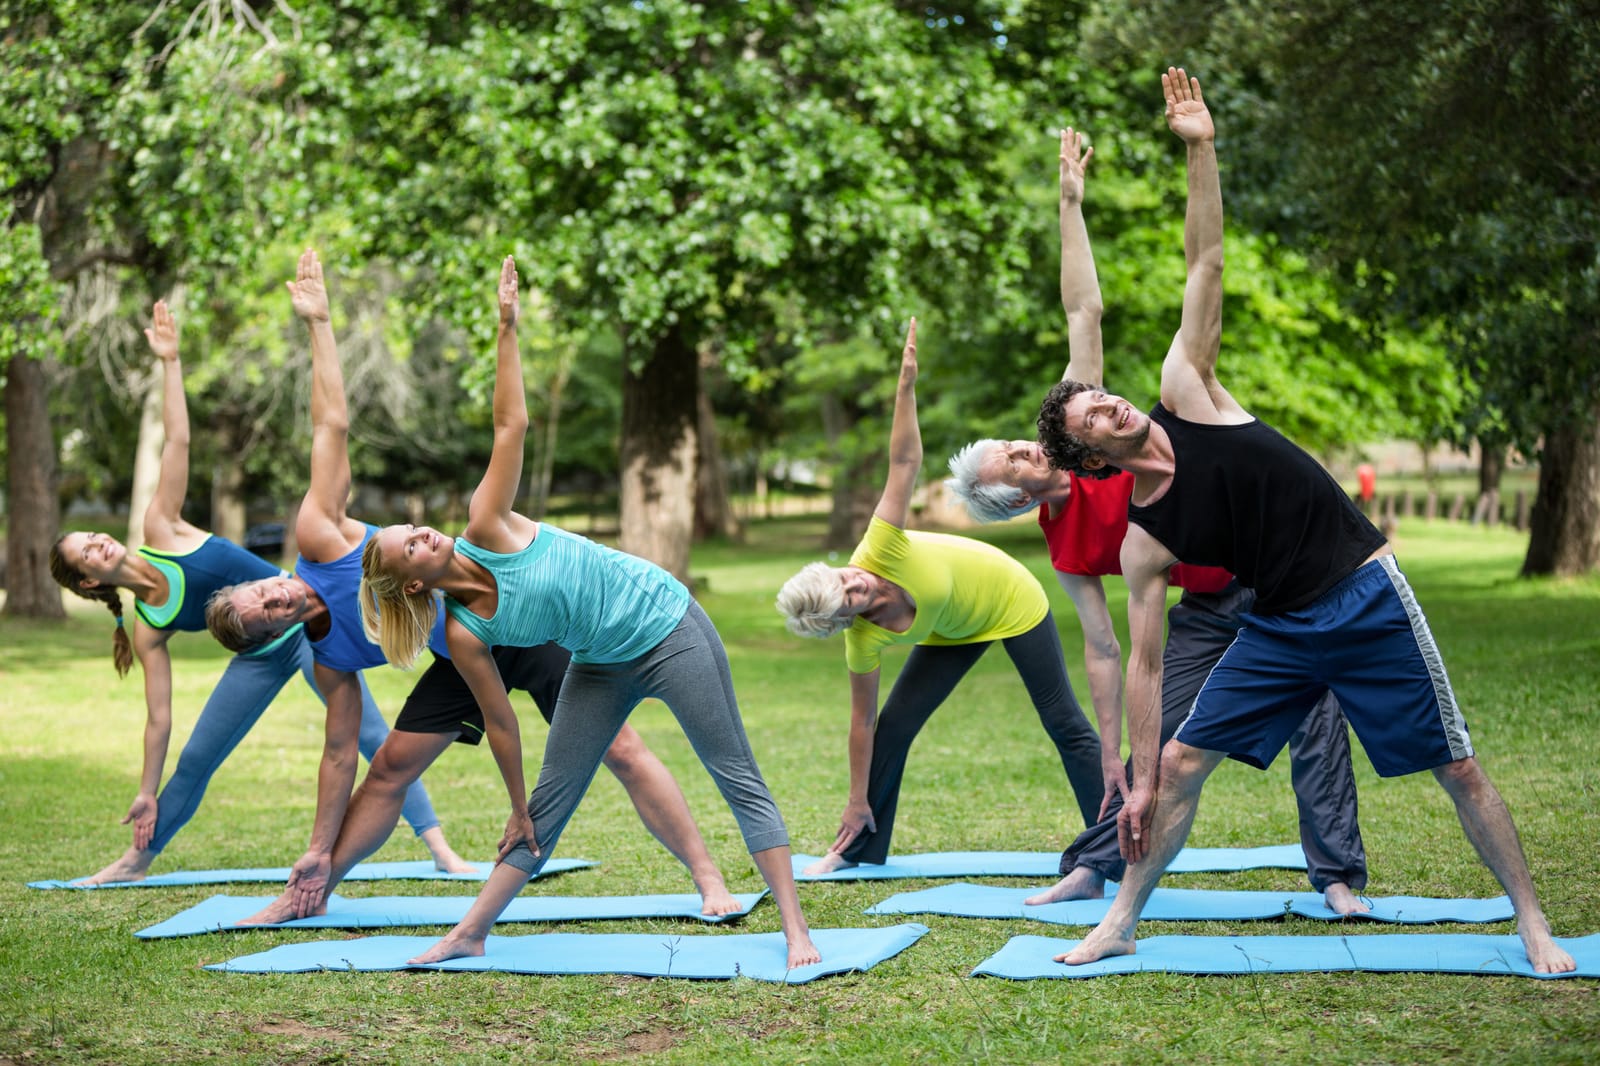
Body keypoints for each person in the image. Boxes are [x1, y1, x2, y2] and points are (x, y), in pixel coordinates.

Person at [1034, 68, 1573, 973]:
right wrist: (1132, 771)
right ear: (1090, 458)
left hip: (1363, 593)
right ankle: (1121, 920)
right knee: (1180, 768)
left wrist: (1201, 150)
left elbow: (1204, 263)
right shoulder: (1144, 538)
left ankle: (1530, 920)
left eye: (1103, 397)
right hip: (1276, 626)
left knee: (1459, 768)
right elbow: (1144, 658)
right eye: (1091, 416)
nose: (1110, 404)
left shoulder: (1186, 394)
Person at [210, 251, 740, 924]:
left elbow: (330, 427)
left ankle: (708, 879)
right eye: (265, 617)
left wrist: (318, 323)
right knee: (389, 770)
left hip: (525, 624)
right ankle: (310, 889)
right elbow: (340, 753)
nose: (275, 600)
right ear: (274, 635)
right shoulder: (333, 663)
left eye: (262, 592)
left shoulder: (320, 537)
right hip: (464, 651)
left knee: (622, 749)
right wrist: (317, 845)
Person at [944, 128, 1368, 913]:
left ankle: (1337, 876)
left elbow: (1084, 304)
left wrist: (1070, 204)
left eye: (1016, 444)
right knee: (1152, 744)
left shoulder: (1088, 433)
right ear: (1017, 499)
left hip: (1268, 573)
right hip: (1205, 607)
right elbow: (1105, 652)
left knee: (1319, 710)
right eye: (1015, 461)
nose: (1026, 448)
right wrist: (1109, 742)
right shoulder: (1066, 544)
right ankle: (1093, 866)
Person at [359, 256, 819, 968]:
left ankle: (796, 931)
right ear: (412, 585)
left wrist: (508, 328)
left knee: (732, 771)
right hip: (599, 664)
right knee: (549, 803)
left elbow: (510, 425)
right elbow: (503, 725)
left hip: (666, 626)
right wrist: (515, 803)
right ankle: (469, 933)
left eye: (412, 527)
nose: (421, 532)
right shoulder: (463, 631)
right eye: (406, 547)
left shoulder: (486, 523)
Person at [47, 303, 463, 884]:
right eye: (87, 554)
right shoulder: (147, 625)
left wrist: (170, 363)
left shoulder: (162, 530)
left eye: (94, 536)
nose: (101, 544)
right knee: (198, 756)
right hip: (267, 642)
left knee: (370, 735)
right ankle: (135, 860)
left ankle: (441, 849)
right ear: (89, 582)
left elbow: (178, 442)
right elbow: (158, 720)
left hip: (309, 612)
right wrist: (146, 789)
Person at [776, 319, 1103, 877]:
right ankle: (858, 848)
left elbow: (903, 463)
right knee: (894, 725)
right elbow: (862, 725)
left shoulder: (878, 545)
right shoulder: (864, 640)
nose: (859, 581)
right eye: (851, 596)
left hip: (1009, 597)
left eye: (845, 575)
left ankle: (1109, 846)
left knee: (1064, 722)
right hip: (955, 626)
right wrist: (856, 798)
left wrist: (905, 391)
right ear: (844, 620)